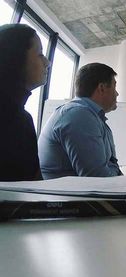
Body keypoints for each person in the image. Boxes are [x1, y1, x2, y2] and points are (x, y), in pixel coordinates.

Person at [38, 63, 123, 179]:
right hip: (63, 196)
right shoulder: (79, 115)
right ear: (102, 88)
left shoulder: (91, 116)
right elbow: (96, 179)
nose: (117, 93)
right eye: (114, 86)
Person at [0, 24, 50, 181]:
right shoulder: (16, 118)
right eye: (40, 54)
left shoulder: (21, 117)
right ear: (14, 56)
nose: (47, 62)